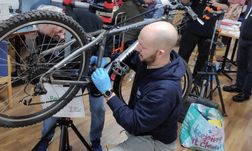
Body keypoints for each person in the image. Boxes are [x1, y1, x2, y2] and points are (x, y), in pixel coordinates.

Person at [91, 21, 185, 151]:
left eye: (143, 46)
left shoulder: (165, 91)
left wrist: (108, 92)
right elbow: (130, 58)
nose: (136, 48)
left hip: (155, 142)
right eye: (138, 42)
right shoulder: (150, 58)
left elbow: (133, 123)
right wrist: (109, 59)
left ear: (160, 53)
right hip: (143, 130)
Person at [31, 4, 109, 151]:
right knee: (51, 107)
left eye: (61, 31)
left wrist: (103, 60)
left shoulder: (90, 19)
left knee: (98, 108)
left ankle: (96, 139)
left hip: (92, 71)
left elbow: (108, 46)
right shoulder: (43, 33)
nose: (60, 37)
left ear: (64, 18)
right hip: (64, 72)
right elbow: (47, 57)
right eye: (54, 36)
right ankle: (46, 138)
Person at [178, 0, 228, 77]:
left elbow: (226, 6)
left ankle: (197, 81)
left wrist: (217, 4)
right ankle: (178, 78)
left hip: (209, 31)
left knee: (203, 58)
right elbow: (184, 2)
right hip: (192, 28)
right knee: (183, 55)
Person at [223, 1, 252, 102]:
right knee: (241, 63)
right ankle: (239, 86)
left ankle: (246, 92)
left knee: (250, 68)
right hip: (244, 37)